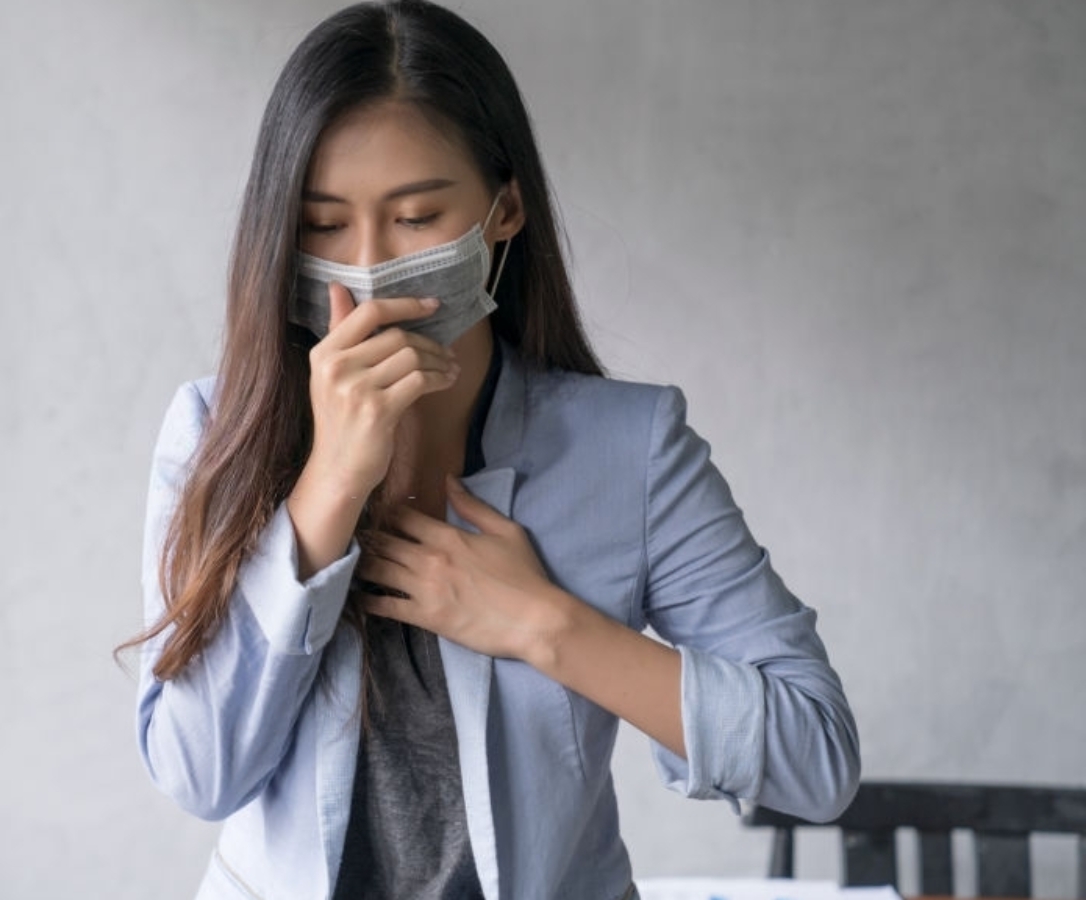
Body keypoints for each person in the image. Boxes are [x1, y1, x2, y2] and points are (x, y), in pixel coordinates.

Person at [124, 2, 860, 898]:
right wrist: (327, 490)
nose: (367, 268)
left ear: (503, 210)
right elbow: (198, 776)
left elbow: (817, 760)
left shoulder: (631, 446)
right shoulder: (214, 429)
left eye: (417, 217)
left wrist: (543, 626)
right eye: (323, 227)